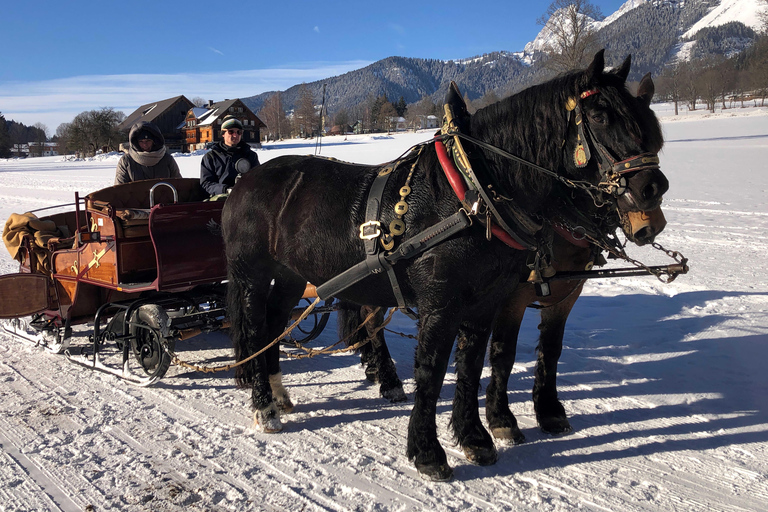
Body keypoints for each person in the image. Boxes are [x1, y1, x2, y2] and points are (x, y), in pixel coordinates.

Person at [200, 116, 260, 196]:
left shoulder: (250, 155)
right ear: (223, 134)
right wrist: (225, 189)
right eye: (231, 132)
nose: (235, 135)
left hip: (246, 197)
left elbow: (258, 178)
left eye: (239, 132)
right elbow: (206, 184)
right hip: (220, 200)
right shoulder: (211, 157)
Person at [115, 121, 181, 185]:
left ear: (154, 141)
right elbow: (119, 190)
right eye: (141, 141)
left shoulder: (167, 159)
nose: (145, 145)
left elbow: (179, 184)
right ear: (135, 143)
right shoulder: (126, 161)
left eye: (148, 141)